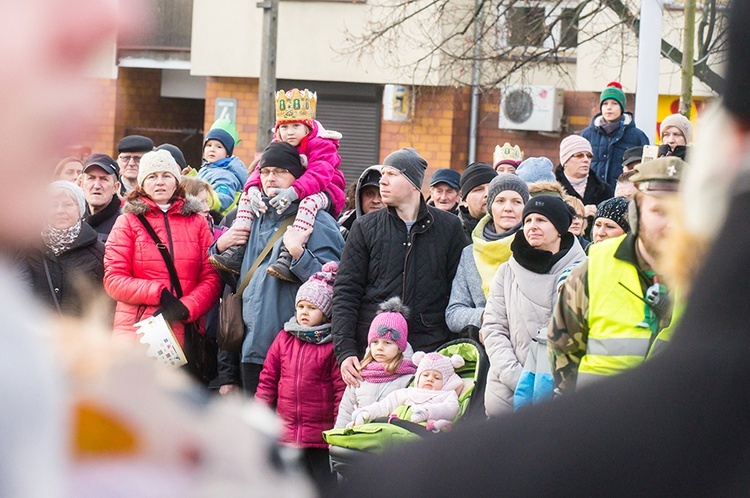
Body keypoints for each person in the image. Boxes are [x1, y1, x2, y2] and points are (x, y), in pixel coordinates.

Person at [338, 3, 750, 495]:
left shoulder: (676, 284)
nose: (663, 220)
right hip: (568, 414)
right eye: (653, 206)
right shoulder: (593, 271)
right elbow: (549, 344)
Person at [211, 142, 345, 395]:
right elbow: (231, 288)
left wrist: (298, 254)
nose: (271, 178)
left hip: (293, 351)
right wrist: (218, 248)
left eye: (281, 171)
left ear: (298, 177)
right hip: (247, 349)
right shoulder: (250, 218)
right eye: (265, 171)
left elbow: (332, 286)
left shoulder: (319, 222)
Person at [548, 156, 686, 393]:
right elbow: (563, 347)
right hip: (601, 417)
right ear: (637, 215)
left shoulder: (710, 272)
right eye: (659, 211)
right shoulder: (596, 265)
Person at [332, 147, 467, 388]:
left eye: (392, 174)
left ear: (414, 183)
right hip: (373, 353)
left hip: (428, 353)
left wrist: (449, 348)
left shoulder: (449, 228)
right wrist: (345, 351)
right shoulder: (364, 227)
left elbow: (459, 292)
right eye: (383, 174)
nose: (383, 181)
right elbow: (346, 291)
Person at [212, 89, 347, 283]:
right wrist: (252, 190)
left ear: (308, 128)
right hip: (295, 191)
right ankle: (237, 247)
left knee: (308, 203)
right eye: (284, 127)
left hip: (325, 190)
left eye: (296, 126)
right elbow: (259, 169)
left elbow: (320, 173)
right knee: (246, 197)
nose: (289, 132)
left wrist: (293, 192)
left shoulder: (322, 144)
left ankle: (288, 254)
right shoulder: (278, 143)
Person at [103, 149, 222, 346]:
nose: (160, 182)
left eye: (166, 175)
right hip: (137, 334)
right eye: (152, 176)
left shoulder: (197, 223)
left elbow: (211, 278)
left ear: (176, 181)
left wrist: (186, 307)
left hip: (186, 331)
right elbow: (114, 279)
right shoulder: (127, 222)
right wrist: (158, 292)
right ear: (142, 183)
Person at [481, 195, 585, 416]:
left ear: (559, 229)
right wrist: (518, 378)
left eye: (541, 220)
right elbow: (493, 328)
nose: (532, 226)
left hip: (562, 396)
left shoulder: (583, 271)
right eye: (528, 221)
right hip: (507, 393)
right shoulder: (506, 271)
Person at [255, 262, 345, 491]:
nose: (304, 312)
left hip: (320, 435)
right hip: (287, 431)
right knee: (291, 485)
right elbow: (268, 379)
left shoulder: (331, 346)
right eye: (301, 306)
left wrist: (337, 430)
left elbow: (340, 391)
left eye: (311, 308)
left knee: (323, 485)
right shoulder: (284, 338)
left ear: (326, 313)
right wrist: (260, 413)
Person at [446, 174, 529, 338]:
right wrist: (486, 317)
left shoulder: (536, 247)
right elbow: (453, 313)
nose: (508, 208)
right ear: (491, 206)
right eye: (500, 201)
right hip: (484, 347)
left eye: (517, 202)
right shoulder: (470, 253)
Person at [23, 181, 105, 316]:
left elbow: (104, 302)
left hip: (81, 333)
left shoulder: (98, 252)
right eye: (53, 205)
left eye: (68, 205)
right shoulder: (29, 249)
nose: (60, 210)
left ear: (80, 210)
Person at [335, 297, 418, 428]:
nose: (379, 347)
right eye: (375, 342)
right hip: (357, 441)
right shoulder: (360, 374)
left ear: (400, 347)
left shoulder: (409, 378)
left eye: (387, 343)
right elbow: (345, 412)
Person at [349, 351, 465, 431]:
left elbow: (452, 409)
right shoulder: (407, 392)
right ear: (418, 377)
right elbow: (385, 406)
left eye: (437, 377)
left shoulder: (446, 395)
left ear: (446, 382)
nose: (430, 379)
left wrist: (428, 411)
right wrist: (367, 412)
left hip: (426, 432)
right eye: (425, 375)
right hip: (398, 428)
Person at [582, 81, 650, 188]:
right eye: (605, 103)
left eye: (614, 103)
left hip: (625, 193)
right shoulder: (587, 135)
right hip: (593, 194)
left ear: (622, 107)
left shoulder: (637, 136)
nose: (609, 107)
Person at [555, 134, 614, 237]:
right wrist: (580, 215)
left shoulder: (604, 190)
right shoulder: (554, 191)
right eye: (579, 155)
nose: (586, 159)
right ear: (565, 161)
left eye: (589, 156)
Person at [196, 121, 248, 215]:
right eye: (209, 145)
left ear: (227, 153)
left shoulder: (225, 175)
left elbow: (223, 200)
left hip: (218, 221)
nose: (212, 149)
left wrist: (199, 197)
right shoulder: (208, 168)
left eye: (219, 147)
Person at [81, 154, 121, 242]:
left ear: (115, 187)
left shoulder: (125, 223)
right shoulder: (73, 219)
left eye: (104, 179)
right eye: (91, 178)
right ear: (81, 184)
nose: (97, 186)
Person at [338, 165, 384, 238]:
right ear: (359, 197)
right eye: (369, 194)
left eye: (381, 194)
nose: (375, 201)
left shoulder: (402, 234)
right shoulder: (342, 233)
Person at [457, 161, 497, 241]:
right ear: (464, 200)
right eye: (479, 190)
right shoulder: (454, 234)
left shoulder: (515, 230)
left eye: (492, 188)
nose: (487, 194)